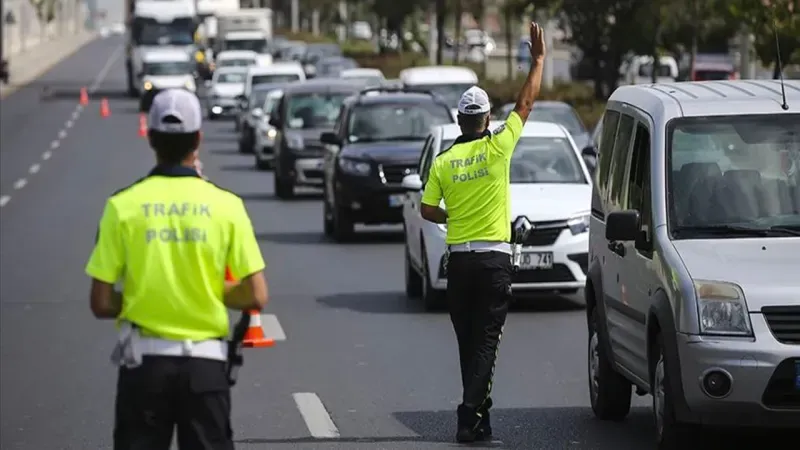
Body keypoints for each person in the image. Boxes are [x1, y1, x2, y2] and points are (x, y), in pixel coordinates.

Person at [85, 88, 269, 450]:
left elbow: (101, 302)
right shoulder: (226, 206)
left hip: (144, 368)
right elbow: (256, 294)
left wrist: (147, 296)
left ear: (151, 138)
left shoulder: (122, 207)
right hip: (205, 369)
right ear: (198, 139)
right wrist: (203, 290)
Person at [419, 22, 546, 444]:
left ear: (459, 119)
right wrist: (539, 61)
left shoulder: (444, 161)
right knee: (487, 344)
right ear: (488, 119)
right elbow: (526, 103)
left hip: (458, 261)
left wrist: (451, 218)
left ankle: (480, 422)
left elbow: (425, 208)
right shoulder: (498, 148)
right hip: (494, 261)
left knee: (468, 344)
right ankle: (467, 414)